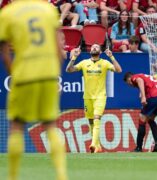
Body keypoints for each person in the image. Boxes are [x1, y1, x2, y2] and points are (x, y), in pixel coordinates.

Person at [0, 1, 67, 180]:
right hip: (49, 73)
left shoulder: (7, 13)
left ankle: (12, 177)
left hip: (24, 73)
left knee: (17, 125)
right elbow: (59, 49)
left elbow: (4, 52)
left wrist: (14, 74)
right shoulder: (48, 9)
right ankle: (61, 175)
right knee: (51, 125)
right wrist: (55, 75)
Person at [66, 44, 122, 153]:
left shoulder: (105, 63)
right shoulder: (84, 63)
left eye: (96, 47)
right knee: (91, 120)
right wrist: (74, 57)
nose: (94, 48)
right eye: (92, 47)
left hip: (100, 96)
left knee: (97, 119)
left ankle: (92, 144)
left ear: (100, 52)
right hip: (87, 97)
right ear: (90, 51)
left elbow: (119, 70)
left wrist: (111, 57)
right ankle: (98, 146)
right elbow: (69, 70)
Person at [123, 72, 157, 152]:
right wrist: (142, 93)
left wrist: (143, 96)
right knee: (150, 119)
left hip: (154, 96)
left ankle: (139, 148)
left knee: (142, 118)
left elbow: (139, 80)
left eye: (129, 84)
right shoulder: (144, 76)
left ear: (129, 79)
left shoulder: (135, 77)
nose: (131, 85)